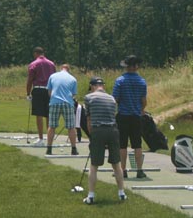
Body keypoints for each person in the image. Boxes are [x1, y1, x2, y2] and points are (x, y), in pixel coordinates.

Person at [82, 77, 126, 205]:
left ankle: (91, 196)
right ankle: (121, 193)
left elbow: (88, 121)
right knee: (116, 164)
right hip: (113, 131)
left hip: (98, 130)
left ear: (92, 86)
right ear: (103, 86)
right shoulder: (112, 98)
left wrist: (91, 136)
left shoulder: (88, 98)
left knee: (94, 165)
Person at [113, 55, 148, 179]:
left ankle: (123, 170)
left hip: (123, 115)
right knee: (137, 144)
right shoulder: (142, 81)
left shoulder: (120, 80)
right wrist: (141, 109)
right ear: (136, 67)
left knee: (122, 144)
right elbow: (144, 101)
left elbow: (115, 99)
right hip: (136, 116)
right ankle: (139, 170)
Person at [46, 64, 79, 156]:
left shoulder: (52, 76)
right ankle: (73, 149)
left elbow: (49, 91)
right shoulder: (73, 79)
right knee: (71, 127)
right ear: (68, 69)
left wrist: (53, 99)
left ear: (60, 68)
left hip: (54, 102)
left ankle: (49, 149)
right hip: (68, 103)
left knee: (52, 126)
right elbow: (73, 94)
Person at [26, 46, 56, 145]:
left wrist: (28, 93)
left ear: (35, 53)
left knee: (39, 114)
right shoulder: (51, 64)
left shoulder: (34, 64)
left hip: (38, 89)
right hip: (49, 90)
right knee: (48, 114)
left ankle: (41, 139)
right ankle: (49, 138)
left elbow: (30, 79)